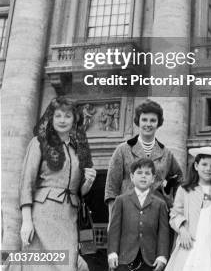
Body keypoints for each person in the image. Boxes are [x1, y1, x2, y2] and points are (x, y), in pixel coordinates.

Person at [15, 96, 96, 271]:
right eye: (58, 115)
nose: (62, 120)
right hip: (42, 217)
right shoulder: (38, 143)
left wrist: (88, 182)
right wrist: (27, 221)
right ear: (51, 118)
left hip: (69, 218)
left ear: (75, 119)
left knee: (69, 266)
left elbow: (78, 191)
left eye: (67, 116)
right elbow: (26, 183)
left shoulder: (78, 150)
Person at [104, 99, 183, 218]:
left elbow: (179, 180)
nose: (148, 124)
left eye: (153, 120)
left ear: (158, 123)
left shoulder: (167, 154)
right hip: (128, 214)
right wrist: (113, 219)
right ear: (138, 121)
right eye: (144, 120)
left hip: (157, 215)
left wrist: (170, 202)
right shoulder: (122, 150)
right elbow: (112, 188)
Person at [165, 146, 211, 271]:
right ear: (196, 166)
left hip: (210, 244)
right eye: (204, 164)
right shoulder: (185, 190)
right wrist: (182, 230)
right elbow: (174, 215)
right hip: (189, 242)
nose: (208, 169)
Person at [107, 158, 169, 271]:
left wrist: (162, 257)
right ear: (131, 177)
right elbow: (114, 230)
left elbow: (163, 233)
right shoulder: (121, 200)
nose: (143, 176)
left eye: (147, 173)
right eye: (139, 173)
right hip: (123, 259)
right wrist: (112, 253)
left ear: (153, 178)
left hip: (150, 261)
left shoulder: (160, 204)